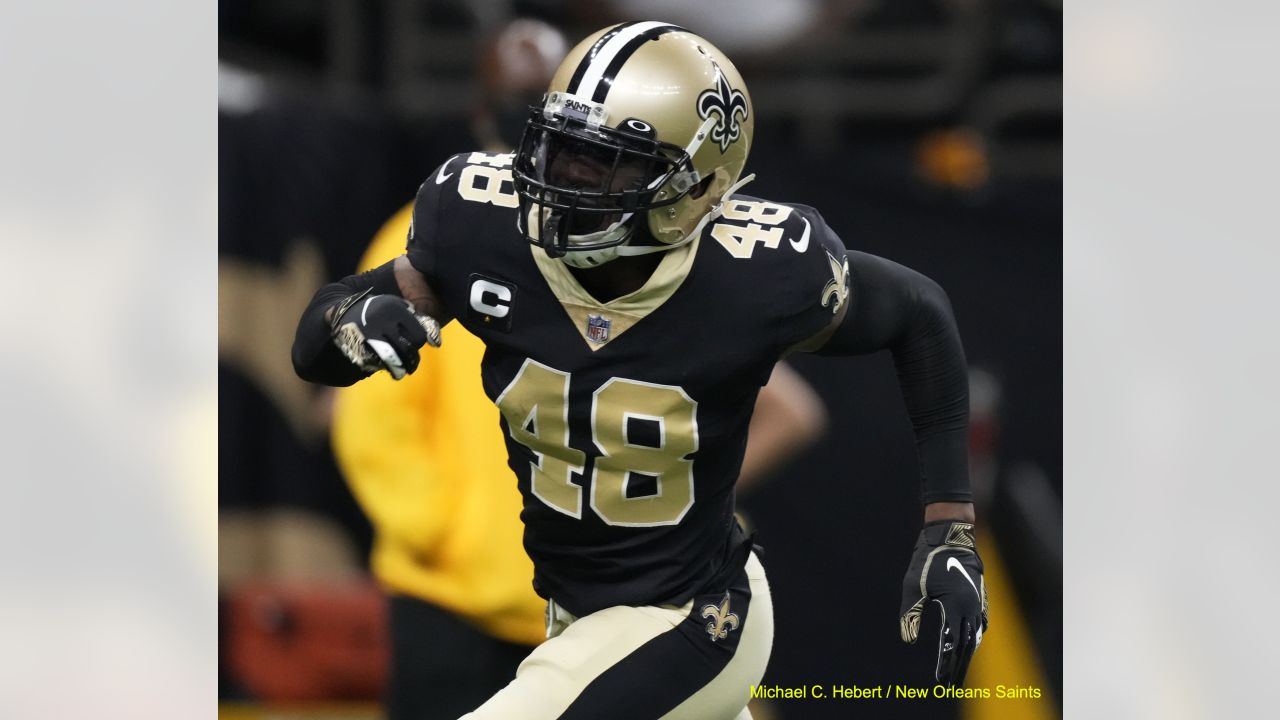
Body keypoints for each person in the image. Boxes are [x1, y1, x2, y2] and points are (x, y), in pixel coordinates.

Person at [293, 21, 988, 719]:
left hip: (695, 614)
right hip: (573, 614)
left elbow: (918, 313)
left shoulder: (759, 272)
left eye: (606, 162)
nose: (565, 178)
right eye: (561, 148)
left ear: (698, 185)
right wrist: (351, 322)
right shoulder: (479, 226)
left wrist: (948, 526)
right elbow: (316, 341)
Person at [334, 201, 826, 720]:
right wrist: (443, 531)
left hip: (643, 601)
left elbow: (791, 410)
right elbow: (372, 413)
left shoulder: (661, 251)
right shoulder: (454, 229)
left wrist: (662, 505)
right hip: (465, 603)